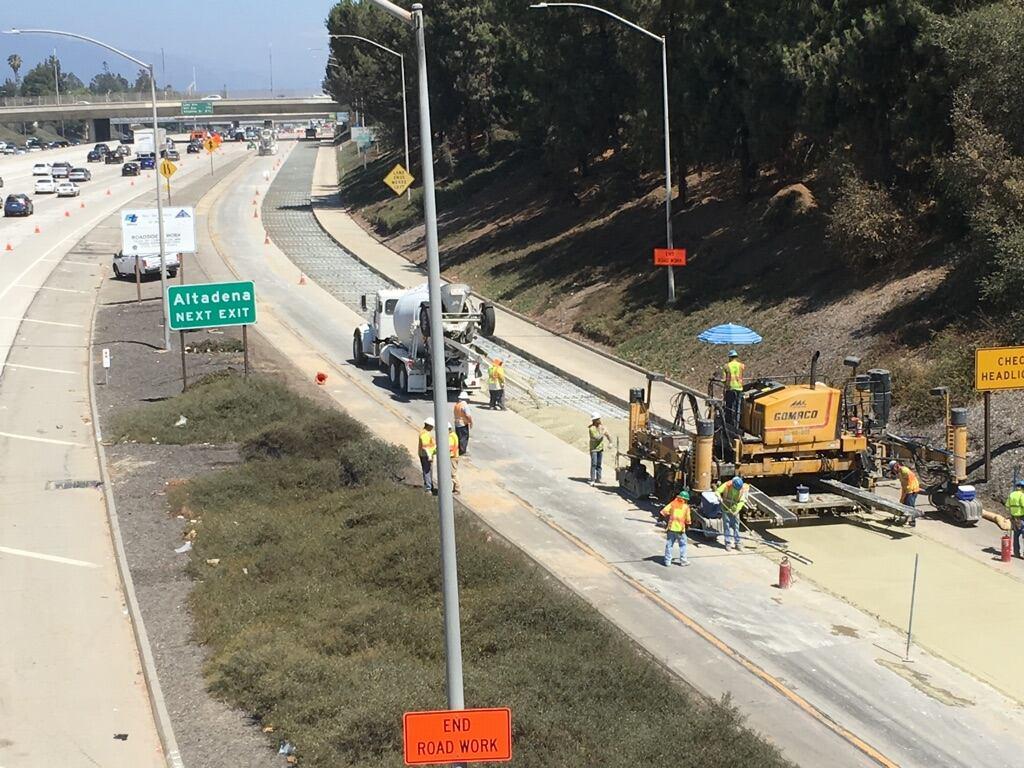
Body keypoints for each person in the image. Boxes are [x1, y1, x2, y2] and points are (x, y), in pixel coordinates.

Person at [661, 490, 692, 567]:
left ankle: (667, 561)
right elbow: (688, 519)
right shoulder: (686, 507)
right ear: (685, 500)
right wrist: (688, 525)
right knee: (683, 545)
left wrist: (662, 520)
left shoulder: (673, 504)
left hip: (671, 528)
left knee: (669, 545)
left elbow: (663, 512)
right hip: (680, 530)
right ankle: (683, 561)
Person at [716, 476, 748, 551]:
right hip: (725, 508)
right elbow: (717, 491)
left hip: (735, 510)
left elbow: (742, 501)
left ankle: (737, 543)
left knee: (736, 527)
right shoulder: (727, 485)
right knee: (727, 526)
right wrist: (718, 496)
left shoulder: (742, 489)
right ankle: (728, 543)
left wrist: (737, 511)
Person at [889, 460, 921, 527]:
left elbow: (911, 482)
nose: (893, 472)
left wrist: (907, 493)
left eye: (893, 469)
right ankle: (904, 520)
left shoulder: (905, 470)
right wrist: (902, 497)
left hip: (912, 490)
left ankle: (912, 522)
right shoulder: (900, 473)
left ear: (896, 466)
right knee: (904, 505)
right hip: (907, 490)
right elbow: (904, 485)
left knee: (910, 506)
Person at [723, 350, 745, 429]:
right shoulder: (741, 366)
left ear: (729, 357)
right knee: (737, 407)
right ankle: (737, 424)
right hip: (739, 388)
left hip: (730, 388)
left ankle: (729, 423)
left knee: (729, 406)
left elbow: (724, 379)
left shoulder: (726, 366)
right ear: (736, 357)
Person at [588, 413, 611, 486]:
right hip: (594, 449)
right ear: (594, 420)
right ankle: (592, 480)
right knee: (594, 464)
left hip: (600, 449)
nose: (600, 420)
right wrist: (603, 432)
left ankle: (598, 479)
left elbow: (607, 434)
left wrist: (610, 441)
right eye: (598, 419)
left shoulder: (601, 427)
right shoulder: (591, 429)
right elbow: (597, 438)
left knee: (599, 464)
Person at [418, 417, 436, 493]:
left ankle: (429, 485)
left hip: (426, 455)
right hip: (425, 456)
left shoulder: (424, 432)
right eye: (432, 426)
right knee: (427, 471)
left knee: (428, 470)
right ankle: (428, 488)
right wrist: (429, 456)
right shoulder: (425, 434)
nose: (432, 428)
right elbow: (425, 447)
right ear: (428, 425)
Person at [1006, 479, 1024, 558]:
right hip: (1022, 517)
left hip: (1014, 518)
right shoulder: (1022, 495)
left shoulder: (1011, 495)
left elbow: (1007, 506)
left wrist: (1012, 512)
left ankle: (1016, 553)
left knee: (1016, 536)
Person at [448, 423, 461, 495]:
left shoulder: (450, 437)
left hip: (453, 457)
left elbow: (449, 448)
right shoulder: (454, 435)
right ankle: (455, 488)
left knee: (453, 474)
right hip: (455, 456)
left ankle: (457, 489)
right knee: (453, 473)